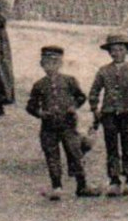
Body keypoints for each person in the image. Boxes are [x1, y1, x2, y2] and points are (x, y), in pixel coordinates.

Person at [25, 45, 94, 200]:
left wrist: (73, 107)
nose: (51, 66)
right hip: (48, 127)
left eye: (55, 62)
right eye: (47, 63)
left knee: (75, 153)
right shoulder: (39, 85)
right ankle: (57, 187)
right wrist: (40, 113)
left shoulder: (69, 81)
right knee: (52, 156)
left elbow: (81, 97)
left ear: (61, 64)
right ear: (42, 65)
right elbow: (30, 106)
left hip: (68, 125)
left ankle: (82, 185)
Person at [90, 34, 128, 196]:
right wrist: (95, 108)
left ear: (126, 51)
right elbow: (94, 91)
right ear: (109, 52)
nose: (117, 53)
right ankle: (114, 180)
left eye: (121, 49)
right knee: (112, 147)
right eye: (113, 50)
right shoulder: (104, 71)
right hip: (109, 114)